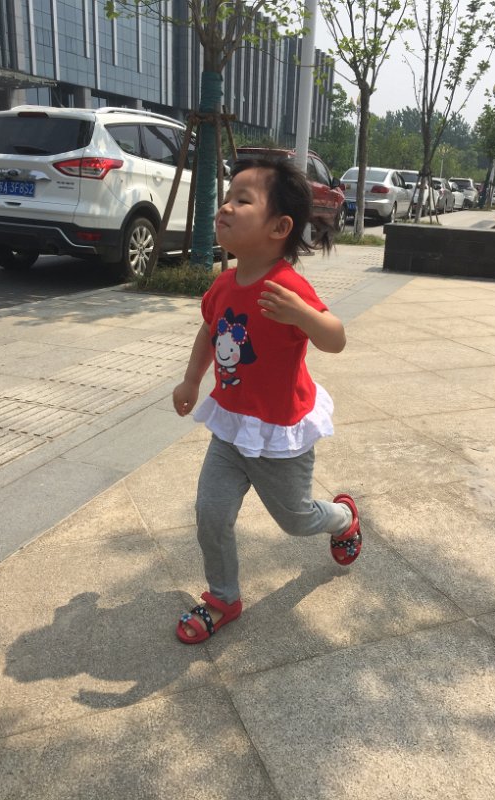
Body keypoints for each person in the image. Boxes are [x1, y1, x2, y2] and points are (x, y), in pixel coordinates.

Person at [172, 156, 362, 644]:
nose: (225, 207)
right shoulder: (222, 285)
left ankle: (343, 517)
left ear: (279, 228)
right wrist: (192, 381)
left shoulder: (288, 287)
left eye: (243, 200)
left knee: (296, 520)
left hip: (280, 433)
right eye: (227, 197)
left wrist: (303, 315)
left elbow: (335, 339)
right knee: (211, 513)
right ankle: (223, 597)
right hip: (232, 427)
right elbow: (210, 331)